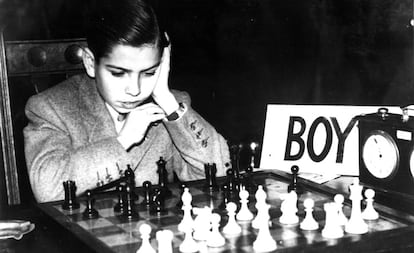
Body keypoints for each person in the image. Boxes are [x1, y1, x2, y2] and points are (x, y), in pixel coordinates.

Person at [23, 0, 230, 202]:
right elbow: (47, 189)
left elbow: (219, 173)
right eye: (119, 73)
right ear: (90, 62)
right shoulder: (51, 108)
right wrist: (124, 141)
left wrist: (166, 100)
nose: (135, 90)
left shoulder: (169, 107)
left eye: (149, 73)